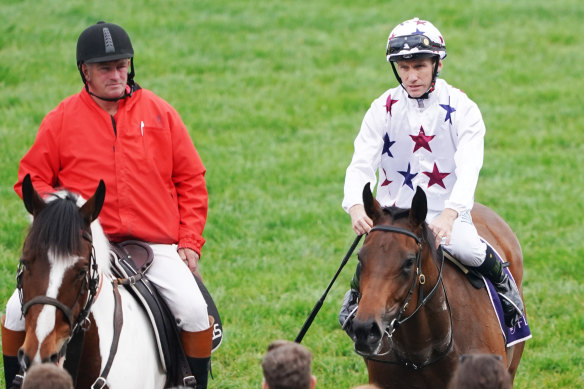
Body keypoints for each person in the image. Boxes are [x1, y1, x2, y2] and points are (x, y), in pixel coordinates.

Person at [1, 21, 212, 388]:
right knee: (15, 311)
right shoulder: (61, 119)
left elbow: (191, 180)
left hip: (153, 245)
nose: (116, 75)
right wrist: (65, 217)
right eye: (105, 68)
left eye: (122, 65)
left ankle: (190, 381)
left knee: (194, 311)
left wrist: (189, 243)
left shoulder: (162, 114)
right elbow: (29, 180)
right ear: (85, 71)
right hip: (81, 243)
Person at [339, 17, 524, 334]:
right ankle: (355, 300)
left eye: (419, 67)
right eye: (403, 67)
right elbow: (360, 163)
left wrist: (451, 214)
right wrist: (356, 205)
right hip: (392, 211)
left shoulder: (462, 108)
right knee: (374, 253)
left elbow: (469, 167)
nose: (410, 77)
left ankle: (507, 292)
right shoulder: (382, 107)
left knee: (468, 247)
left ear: (437, 64)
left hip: (443, 209)